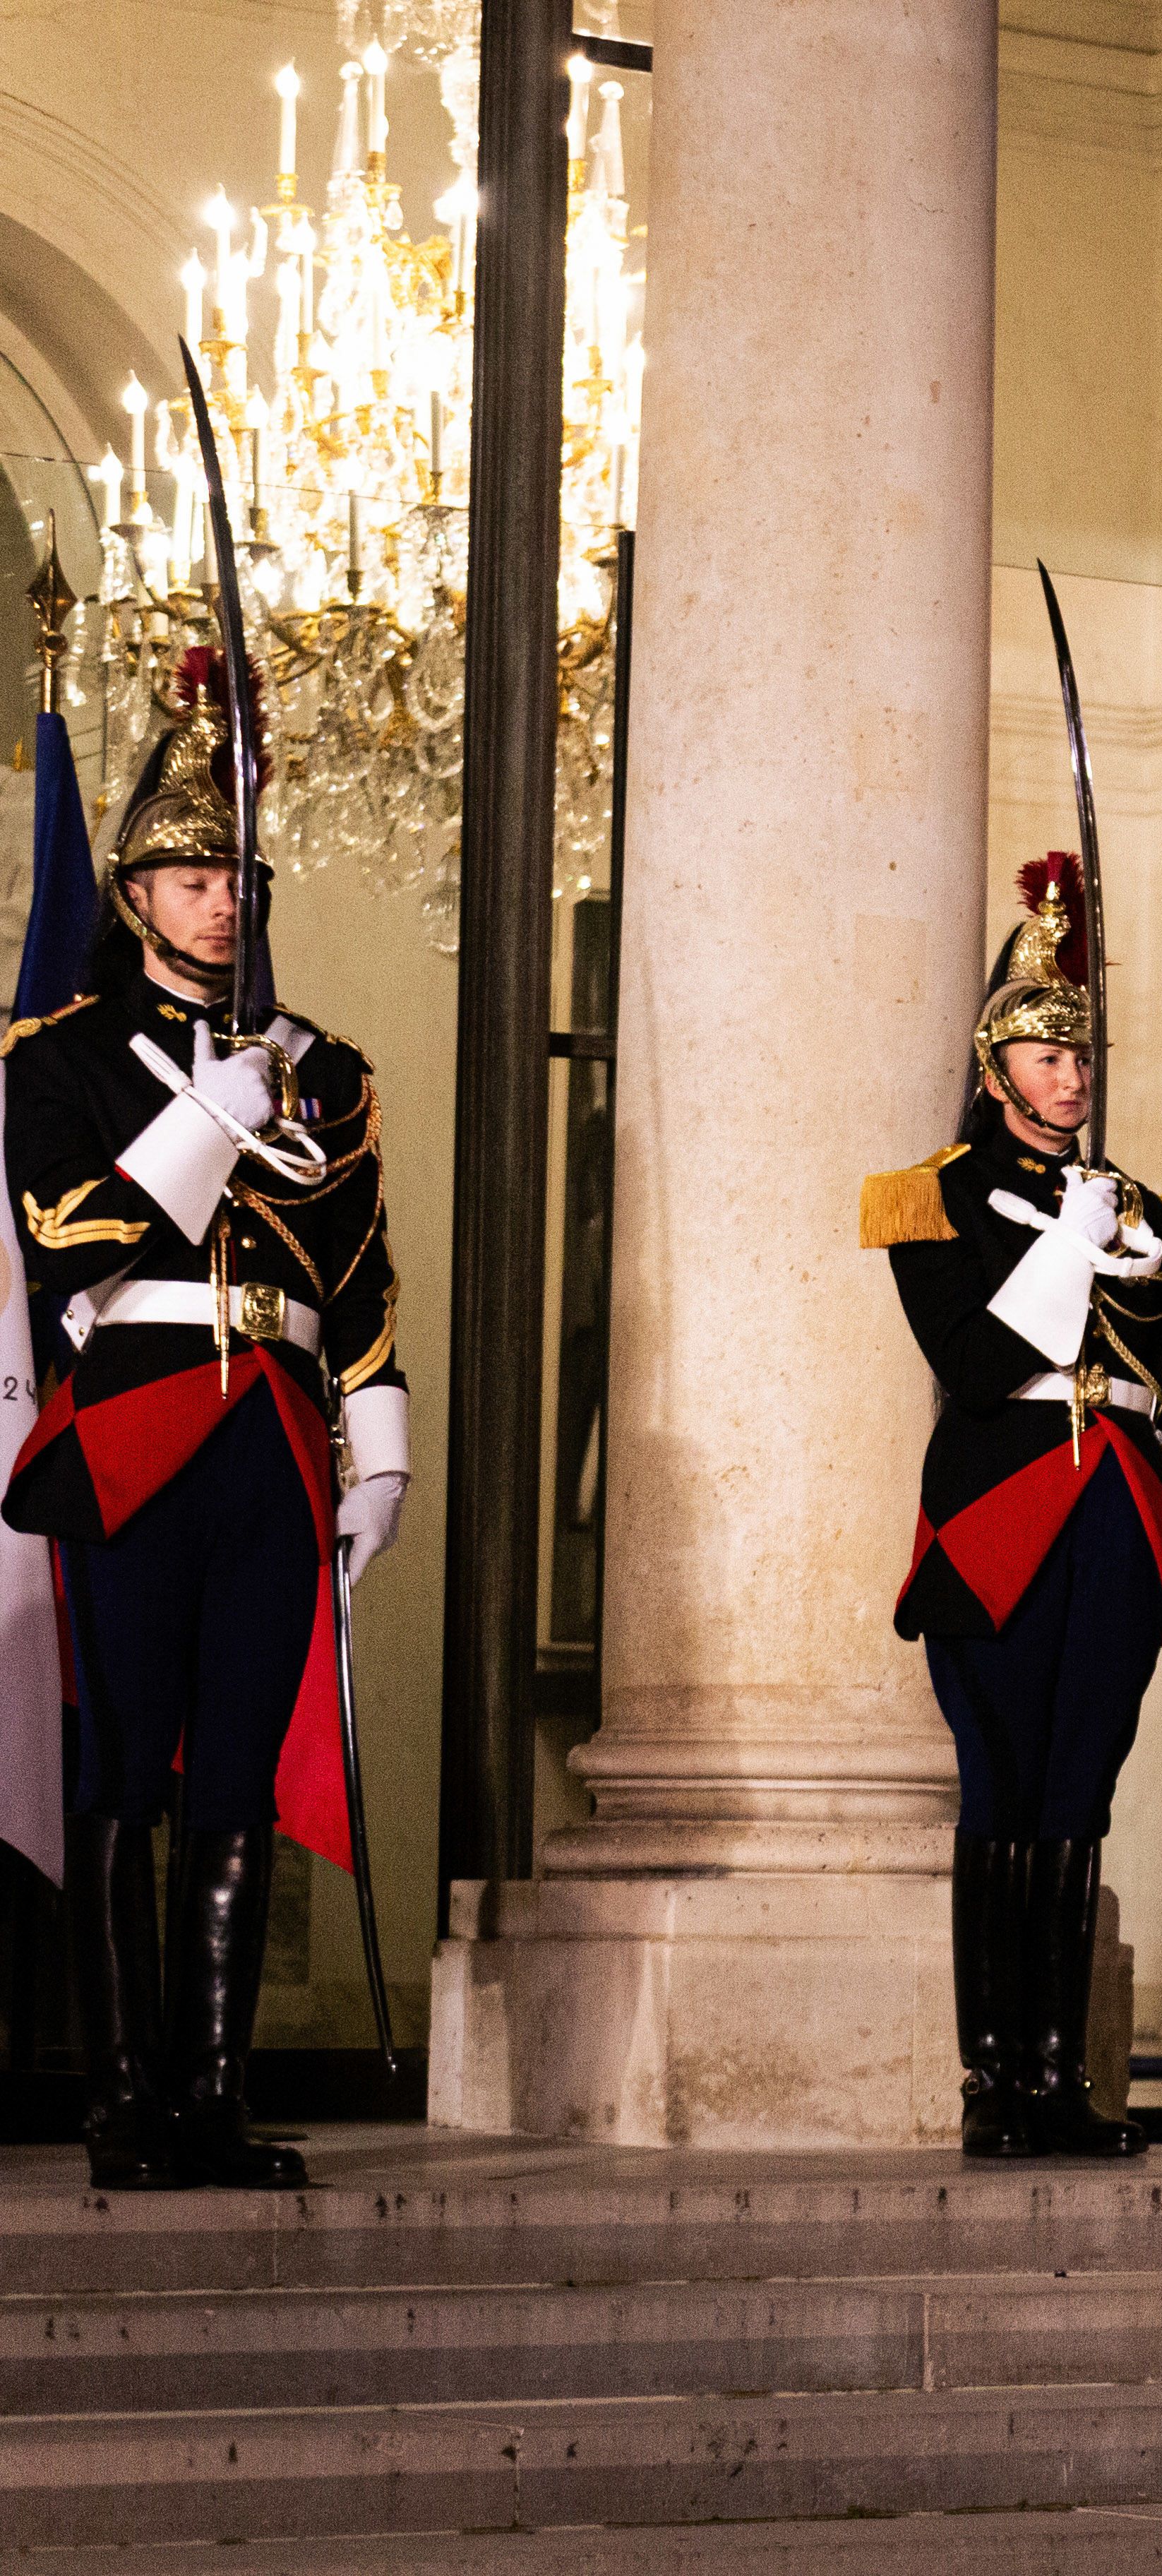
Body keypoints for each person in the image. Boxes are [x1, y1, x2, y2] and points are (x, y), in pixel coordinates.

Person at [5, 649, 408, 2190]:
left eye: (238, 871)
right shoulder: (58, 1060)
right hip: (137, 1420)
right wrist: (213, 1113)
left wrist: (379, 1452)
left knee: (237, 1765)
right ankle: (122, 2099)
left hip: (272, 1442)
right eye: (189, 875)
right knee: (129, 1766)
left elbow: (360, 1277)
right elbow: (70, 1236)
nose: (221, 900)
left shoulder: (332, 1073)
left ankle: (215, 2093)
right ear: (132, 895)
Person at [862, 854, 1162, 2159]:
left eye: (1084, 1055)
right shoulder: (934, 1197)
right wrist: (1070, 1244)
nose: (1072, 1076)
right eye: (1046, 1053)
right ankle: (993, 2085)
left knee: (1084, 1790)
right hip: (1003, 1514)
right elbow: (972, 1368)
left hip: (1119, 1517)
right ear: (994, 1063)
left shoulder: (1139, 1207)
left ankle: (1058, 2078)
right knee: (1004, 1785)